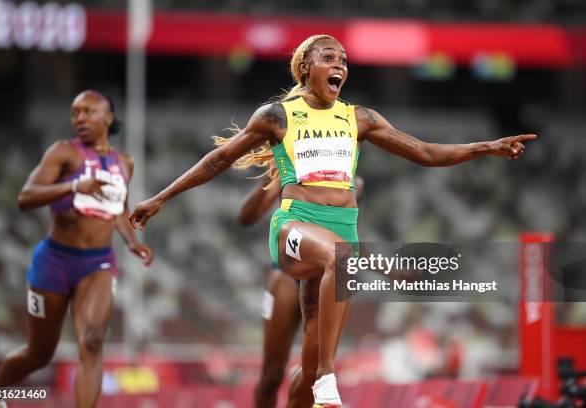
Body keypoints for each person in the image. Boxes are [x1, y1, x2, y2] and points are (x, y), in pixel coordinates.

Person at [128, 34, 535, 407]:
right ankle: (328, 375)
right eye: (328, 57)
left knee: (304, 373)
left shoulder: (359, 118)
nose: (339, 64)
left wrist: (487, 146)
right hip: (294, 225)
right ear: (306, 66)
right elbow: (220, 159)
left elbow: (426, 153)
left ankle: (316, 377)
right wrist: (162, 197)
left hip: (343, 231)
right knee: (338, 270)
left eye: (343, 59)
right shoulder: (277, 116)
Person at [0, 90, 154, 408]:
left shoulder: (124, 163)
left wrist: (132, 243)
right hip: (54, 261)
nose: (80, 118)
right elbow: (26, 197)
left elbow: (117, 210)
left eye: (88, 111)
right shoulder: (63, 153)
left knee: (92, 341)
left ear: (108, 118)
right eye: (75, 113)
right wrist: (73, 185)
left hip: (97, 264)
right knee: (38, 354)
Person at [238, 176, 363, 408]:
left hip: (327, 273)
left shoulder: (353, 182)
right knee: (272, 374)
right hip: (288, 273)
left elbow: (349, 240)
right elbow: (246, 218)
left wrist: (388, 269)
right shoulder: (294, 166)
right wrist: (270, 178)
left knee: (312, 372)